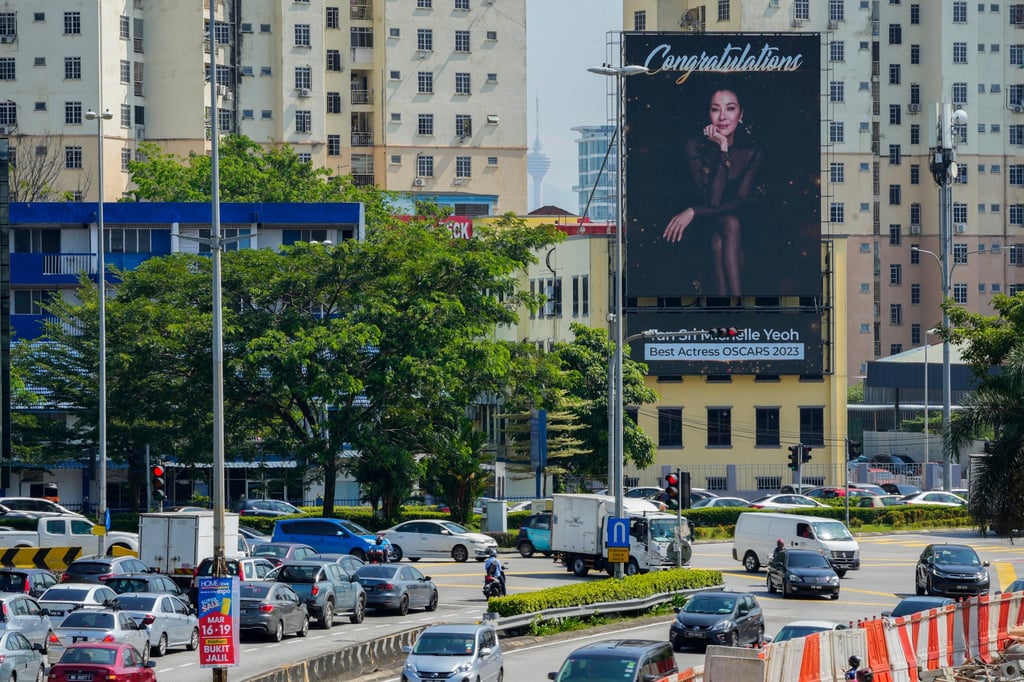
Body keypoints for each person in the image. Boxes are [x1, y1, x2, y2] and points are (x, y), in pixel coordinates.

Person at [662, 85, 764, 297]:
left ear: (741, 114)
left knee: (723, 236)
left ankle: (729, 314)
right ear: (708, 113)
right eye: (716, 109)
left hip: (730, 223)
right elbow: (713, 199)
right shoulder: (695, 145)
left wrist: (692, 211)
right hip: (699, 227)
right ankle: (738, 308)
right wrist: (721, 151)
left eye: (730, 108)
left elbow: (740, 202)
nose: (723, 117)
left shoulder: (751, 152)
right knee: (726, 229)